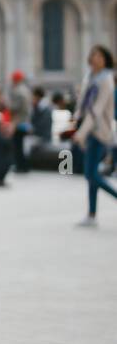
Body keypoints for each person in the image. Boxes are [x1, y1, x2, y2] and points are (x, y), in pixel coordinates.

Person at [72, 45, 117, 227]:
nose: (95, 59)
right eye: (93, 55)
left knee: (91, 174)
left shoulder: (106, 79)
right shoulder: (90, 77)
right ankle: (91, 214)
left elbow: (96, 110)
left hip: (99, 131)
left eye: (99, 56)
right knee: (92, 174)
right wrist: (76, 122)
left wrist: (81, 134)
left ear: (105, 59)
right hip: (88, 129)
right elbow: (83, 104)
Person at [9, 69, 32, 173]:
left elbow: (15, 107)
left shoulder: (18, 91)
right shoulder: (25, 89)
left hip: (18, 122)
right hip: (25, 121)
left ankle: (20, 166)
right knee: (22, 145)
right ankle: (24, 165)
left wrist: (8, 106)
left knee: (18, 145)